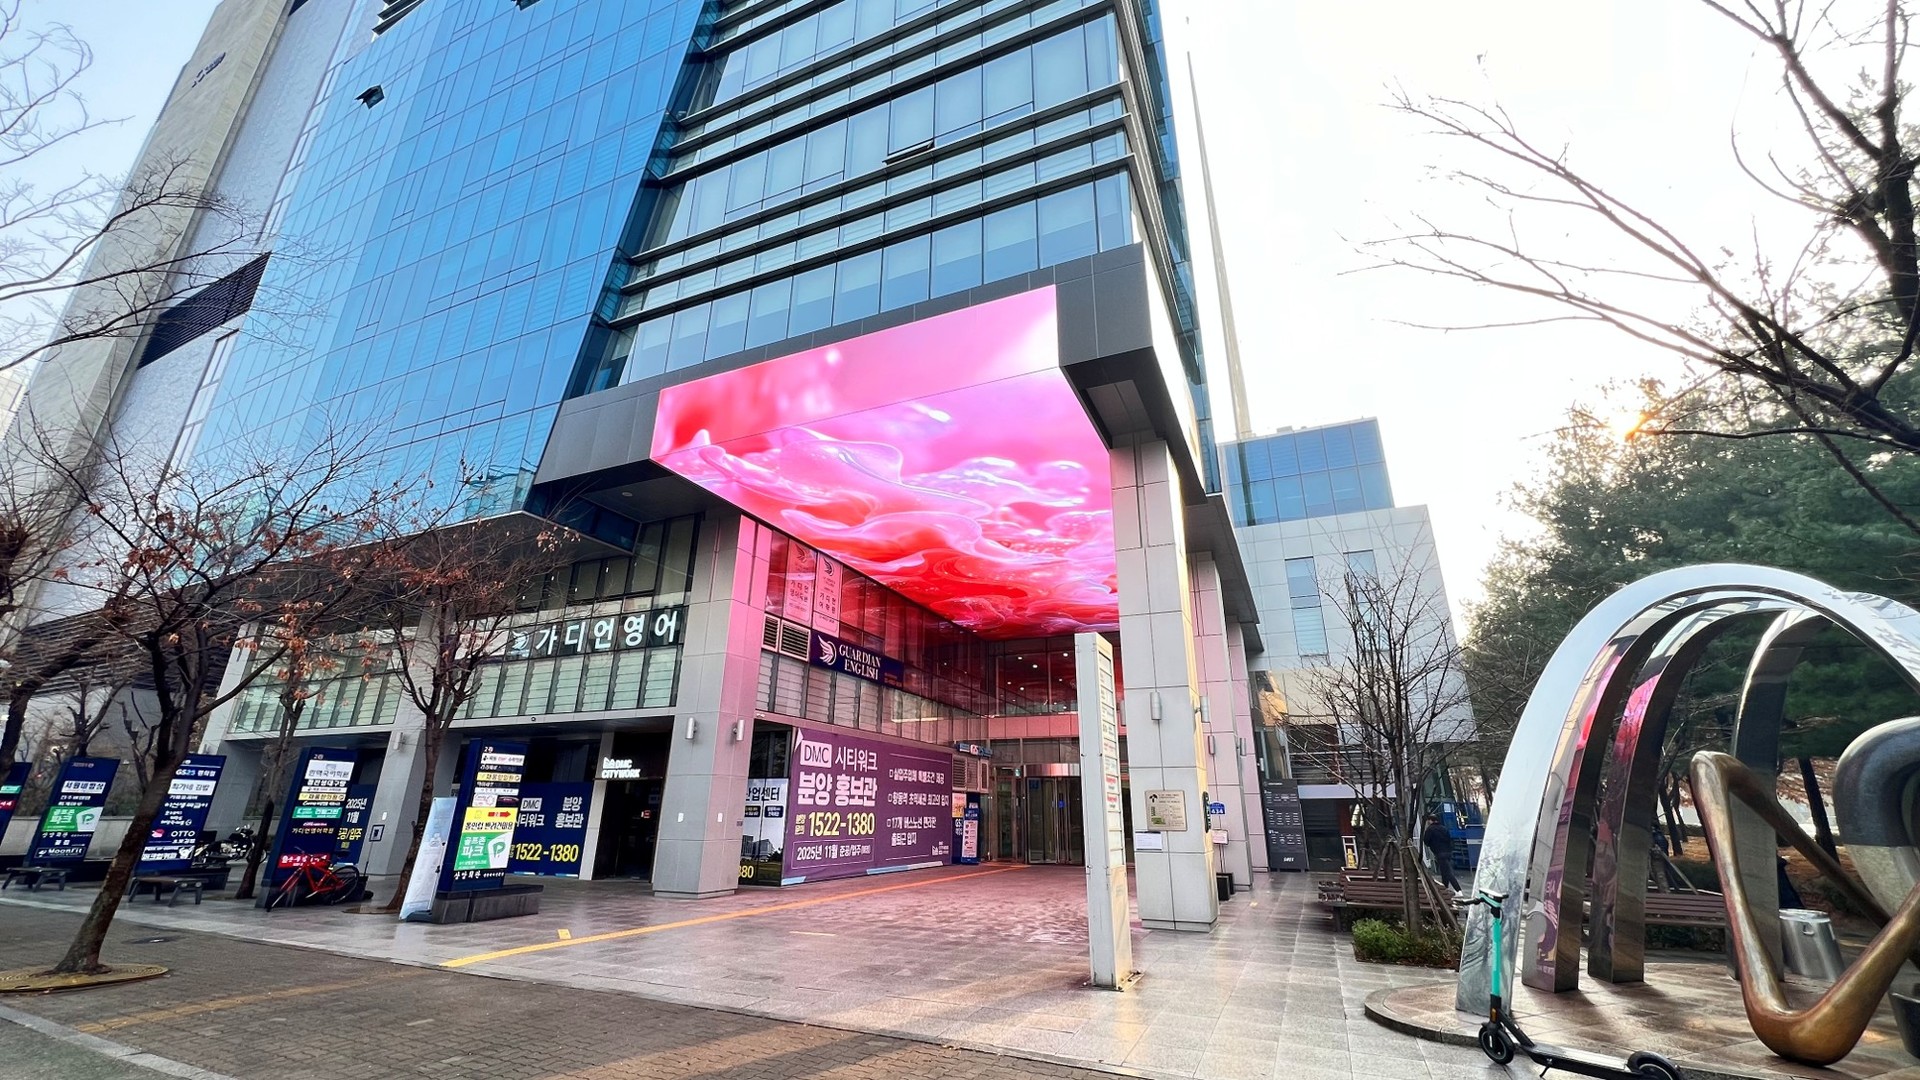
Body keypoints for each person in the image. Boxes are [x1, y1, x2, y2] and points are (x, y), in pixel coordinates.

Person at [1423, 812, 1461, 892]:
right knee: (1444, 871)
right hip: (1448, 852)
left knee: (1447, 872)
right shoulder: (1444, 828)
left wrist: (1432, 845)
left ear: (1430, 820)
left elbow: (1426, 841)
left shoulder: (1430, 829)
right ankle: (1445, 888)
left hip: (1439, 852)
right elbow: (1449, 839)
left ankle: (1458, 890)